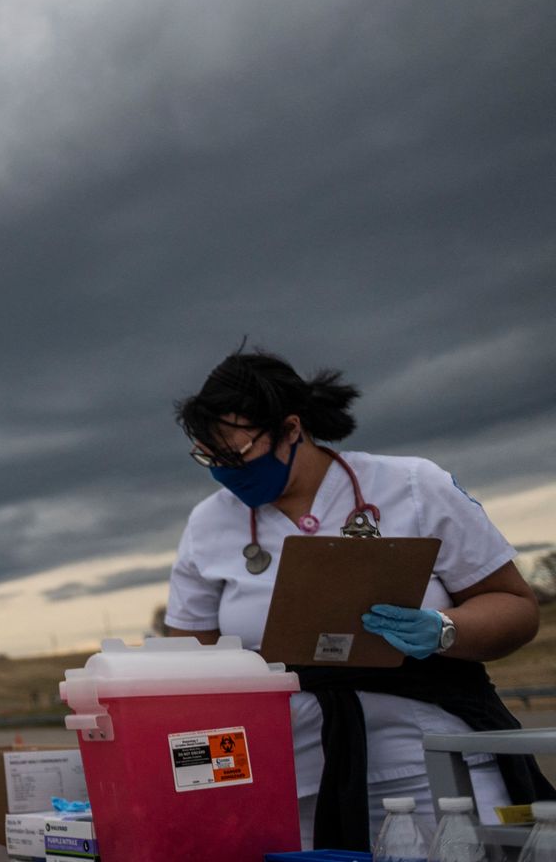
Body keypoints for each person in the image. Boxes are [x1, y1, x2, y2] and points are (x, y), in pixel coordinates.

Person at [165, 348, 550, 850]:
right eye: (210, 458)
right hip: (297, 780)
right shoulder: (208, 524)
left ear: (291, 429)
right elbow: (184, 669)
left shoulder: (412, 486)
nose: (224, 472)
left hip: (434, 768)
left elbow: (515, 607)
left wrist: (443, 628)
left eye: (237, 455)